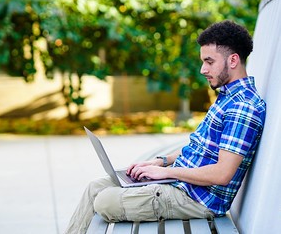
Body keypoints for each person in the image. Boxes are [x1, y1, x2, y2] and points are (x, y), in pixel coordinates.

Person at [65, 20, 266, 234]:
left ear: (233, 60)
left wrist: (167, 173)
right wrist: (160, 162)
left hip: (196, 199)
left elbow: (222, 174)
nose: (202, 69)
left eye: (209, 61)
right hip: (182, 184)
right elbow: (198, 146)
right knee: (95, 187)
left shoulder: (243, 107)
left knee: (104, 200)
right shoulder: (228, 96)